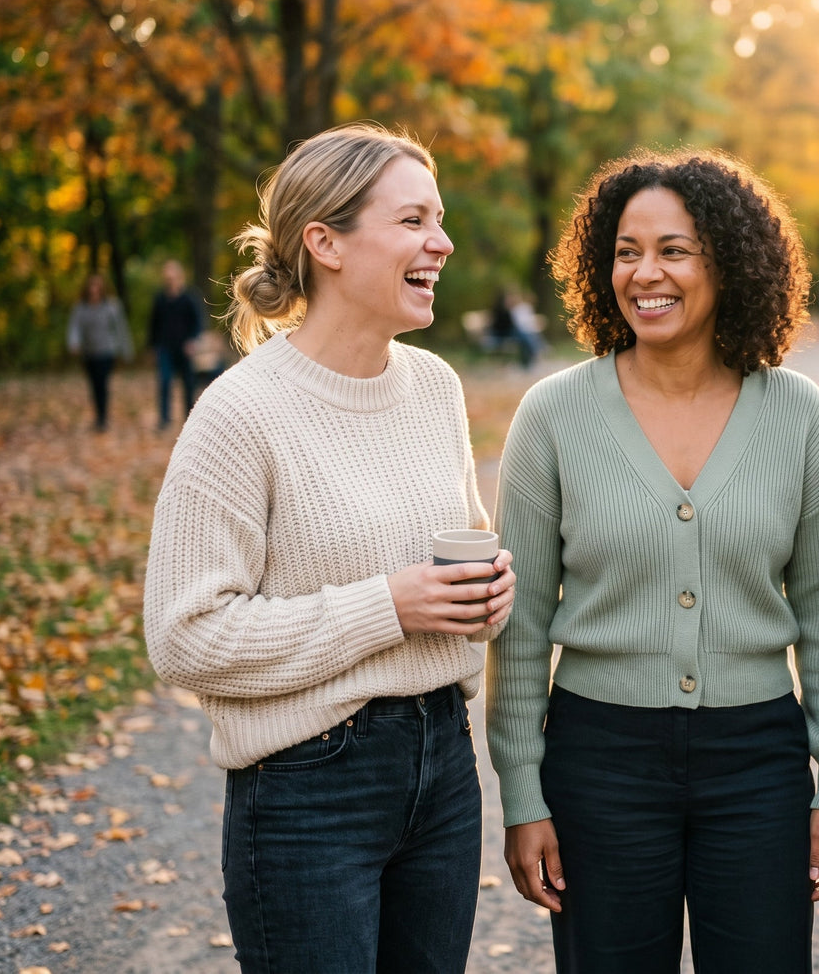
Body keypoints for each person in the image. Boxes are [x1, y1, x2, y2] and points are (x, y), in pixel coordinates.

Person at [143, 122, 516, 974]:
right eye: (415, 219)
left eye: (441, 218)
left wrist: (490, 594)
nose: (443, 241)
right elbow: (184, 636)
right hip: (308, 791)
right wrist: (387, 605)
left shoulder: (433, 388)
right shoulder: (240, 413)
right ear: (326, 243)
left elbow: (454, 573)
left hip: (443, 770)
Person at [487, 149, 819, 973]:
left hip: (758, 763)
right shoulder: (552, 416)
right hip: (598, 759)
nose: (644, 272)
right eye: (626, 250)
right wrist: (522, 790)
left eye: (673, 249)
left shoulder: (795, 414)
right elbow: (518, 624)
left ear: (727, 261)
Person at [65, 273, 133, 431]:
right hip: (89, 352)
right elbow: (74, 327)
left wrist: (126, 350)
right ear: (87, 289)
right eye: (92, 287)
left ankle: (103, 418)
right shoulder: (80, 308)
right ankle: (98, 415)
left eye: (97, 287)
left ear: (102, 289)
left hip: (107, 351)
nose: (94, 290)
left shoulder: (112, 306)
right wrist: (74, 343)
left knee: (102, 384)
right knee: (94, 385)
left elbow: (121, 329)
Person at [148, 259, 203, 429]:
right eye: (167, 278)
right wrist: (152, 346)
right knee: (164, 382)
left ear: (179, 277)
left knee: (188, 384)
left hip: (185, 349)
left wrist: (193, 340)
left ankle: (189, 418)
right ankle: (164, 419)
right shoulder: (160, 299)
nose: (170, 281)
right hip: (165, 347)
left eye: (173, 277)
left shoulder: (189, 298)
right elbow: (153, 324)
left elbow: (198, 322)